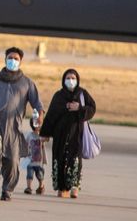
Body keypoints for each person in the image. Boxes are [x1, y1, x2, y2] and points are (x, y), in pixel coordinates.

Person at [0, 47, 44, 201]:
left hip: (13, 129)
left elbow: (37, 104)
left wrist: (39, 116)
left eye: (16, 59)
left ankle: (7, 190)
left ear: (20, 61)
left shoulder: (27, 83)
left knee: (12, 161)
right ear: (5, 59)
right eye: (10, 58)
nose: (12, 61)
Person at [39, 69, 96, 199]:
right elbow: (51, 115)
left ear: (77, 80)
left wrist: (79, 108)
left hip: (76, 134)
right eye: (68, 78)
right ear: (64, 80)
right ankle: (62, 187)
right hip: (60, 135)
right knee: (59, 159)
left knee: (75, 160)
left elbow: (92, 108)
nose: (71, 81)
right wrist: (45, 134)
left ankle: (75, 187)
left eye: (73, 78)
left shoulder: (82, 94)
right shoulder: (58, 96)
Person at [24, 118, 47, 195]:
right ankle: (29, 187)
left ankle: (41, 186)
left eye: (40, 124)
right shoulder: (29, 135)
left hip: (39, 161)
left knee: (40, 175)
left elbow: (46, 139)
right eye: (38, 124)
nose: (39, 126)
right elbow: (25, 143)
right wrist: (25, 152)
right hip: (30, 160)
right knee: (29, 175)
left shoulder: (41, 135)